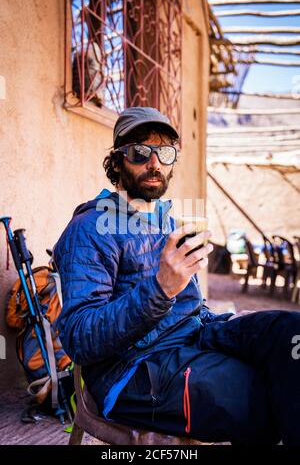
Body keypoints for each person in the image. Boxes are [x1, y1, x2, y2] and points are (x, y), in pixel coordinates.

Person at [53, 107, 300, 445]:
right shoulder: (91, 228)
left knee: (288, 334)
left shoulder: (168, 224)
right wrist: (160, 288)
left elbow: (189, 307)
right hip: (134, 369)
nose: (154, 163)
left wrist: (228, 324)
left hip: (195, 337)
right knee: (262, 394)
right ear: (117, 161)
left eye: (165, 152)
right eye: (141, 152)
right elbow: (80, 339)